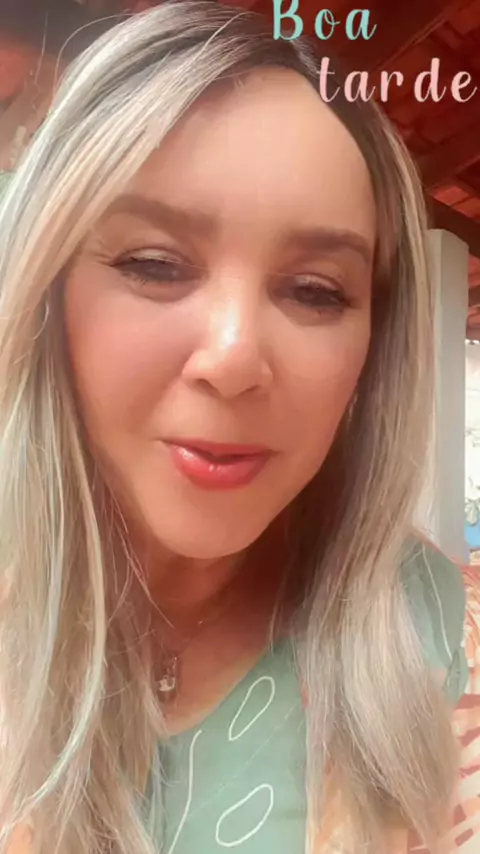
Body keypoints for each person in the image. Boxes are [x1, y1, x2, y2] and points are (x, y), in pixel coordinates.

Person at [0, 2, 478, 852]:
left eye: (316, 290)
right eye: (155, 264)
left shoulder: (427, 618)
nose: (233, 357)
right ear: (47, 290)